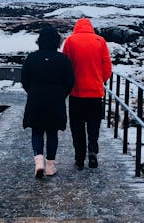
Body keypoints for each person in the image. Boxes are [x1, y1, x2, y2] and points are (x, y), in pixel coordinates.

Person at [21, 26, 74, 178]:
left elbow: (24, 79)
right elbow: (70, 81)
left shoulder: (32, 57)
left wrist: (32, 92)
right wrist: (61, 94)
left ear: (39, 41)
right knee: (52, 133)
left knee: (36, 131)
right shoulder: (63, 59)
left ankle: (38, 161)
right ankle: (50, 166)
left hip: (35, 99)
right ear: (57, 41)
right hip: (55, 101)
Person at [62, 18, 112, 170]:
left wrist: (68, 84)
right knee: (93, 125)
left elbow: (64, 65)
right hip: (95, 93)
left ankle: (79, 158)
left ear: (76, 27)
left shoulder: (70, 41)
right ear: (91, 27)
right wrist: (100, 79)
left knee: (77, 127)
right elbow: (107, 65)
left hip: (76, 93)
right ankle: (92, 148)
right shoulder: (100, 41)